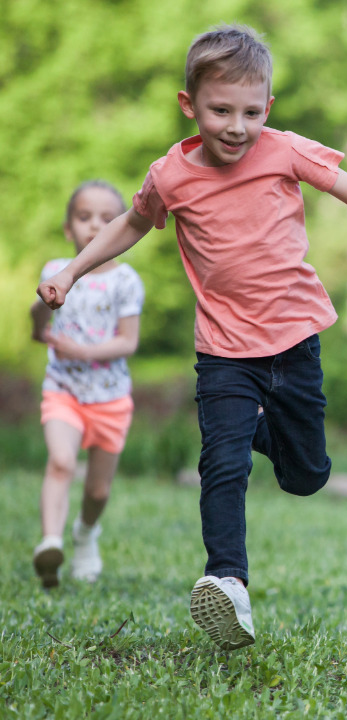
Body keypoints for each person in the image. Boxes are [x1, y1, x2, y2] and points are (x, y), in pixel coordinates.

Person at [36, 25, 347, 651]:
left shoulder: (283, 150)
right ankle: (227, 582)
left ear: (269, 109)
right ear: (189, 105)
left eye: (251, 112)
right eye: (220, 110)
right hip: (223, 351)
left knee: (306, 475)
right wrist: (70, 270)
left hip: (294, 343)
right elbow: (130, 224)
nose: (236, 126)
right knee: (219, 465)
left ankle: (253, 428)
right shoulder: (171, 174)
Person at [30, 181, 144, 589]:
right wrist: (38, 319)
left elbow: (128, 342)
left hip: (110, 399)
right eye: (83, 217)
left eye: (105, 218)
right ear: (68, 228)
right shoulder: (53, 272)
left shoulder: (126, 281)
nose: (94, 225)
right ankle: (50, 542)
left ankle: (85, 534)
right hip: (63, 390)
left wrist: (80, 350)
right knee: (60, 461)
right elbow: (38, 318)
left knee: (97, 490)